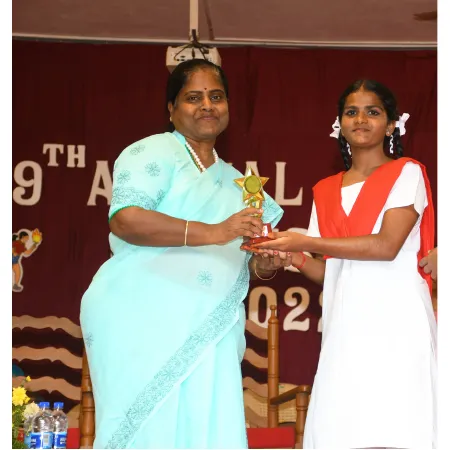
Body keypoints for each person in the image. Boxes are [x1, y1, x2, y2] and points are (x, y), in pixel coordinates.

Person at [80, 59, 290, 449]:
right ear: (171, 109)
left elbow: (248, 260)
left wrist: (265, 263)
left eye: (217, 96)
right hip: (140, 316)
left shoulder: (241, 184)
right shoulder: (152, 151)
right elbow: (126, 219)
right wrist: (215, 231)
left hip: (211, 326)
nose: (207, 105)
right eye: (194, 97)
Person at [253, 80, 436, 448]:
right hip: (345, 327)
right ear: (339, 124)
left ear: (392, 124)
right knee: (343, 431)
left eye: (373, 112)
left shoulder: (407, 173)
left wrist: (305, 241)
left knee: (400, 428)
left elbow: (385, 246)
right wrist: (294, 258)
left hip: (399, 323)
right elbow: (333, 270)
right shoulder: (325, 189)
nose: (361, 119)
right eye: (352, 112)